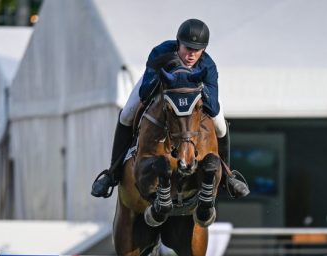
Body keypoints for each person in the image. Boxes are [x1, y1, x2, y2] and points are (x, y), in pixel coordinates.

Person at [91, 18, 250, 199]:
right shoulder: (160, 53)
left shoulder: (208, 66)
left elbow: (212, 108)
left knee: (220, 124)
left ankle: (227, 176)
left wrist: (197, 88)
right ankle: (113, 172)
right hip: (162, 93)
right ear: (178, 44)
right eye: (187, 48)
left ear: (204, 49)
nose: (191, 55)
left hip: (193, 99)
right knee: (126, 114)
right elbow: (145, 93)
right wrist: (167, 71)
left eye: (196, 50)